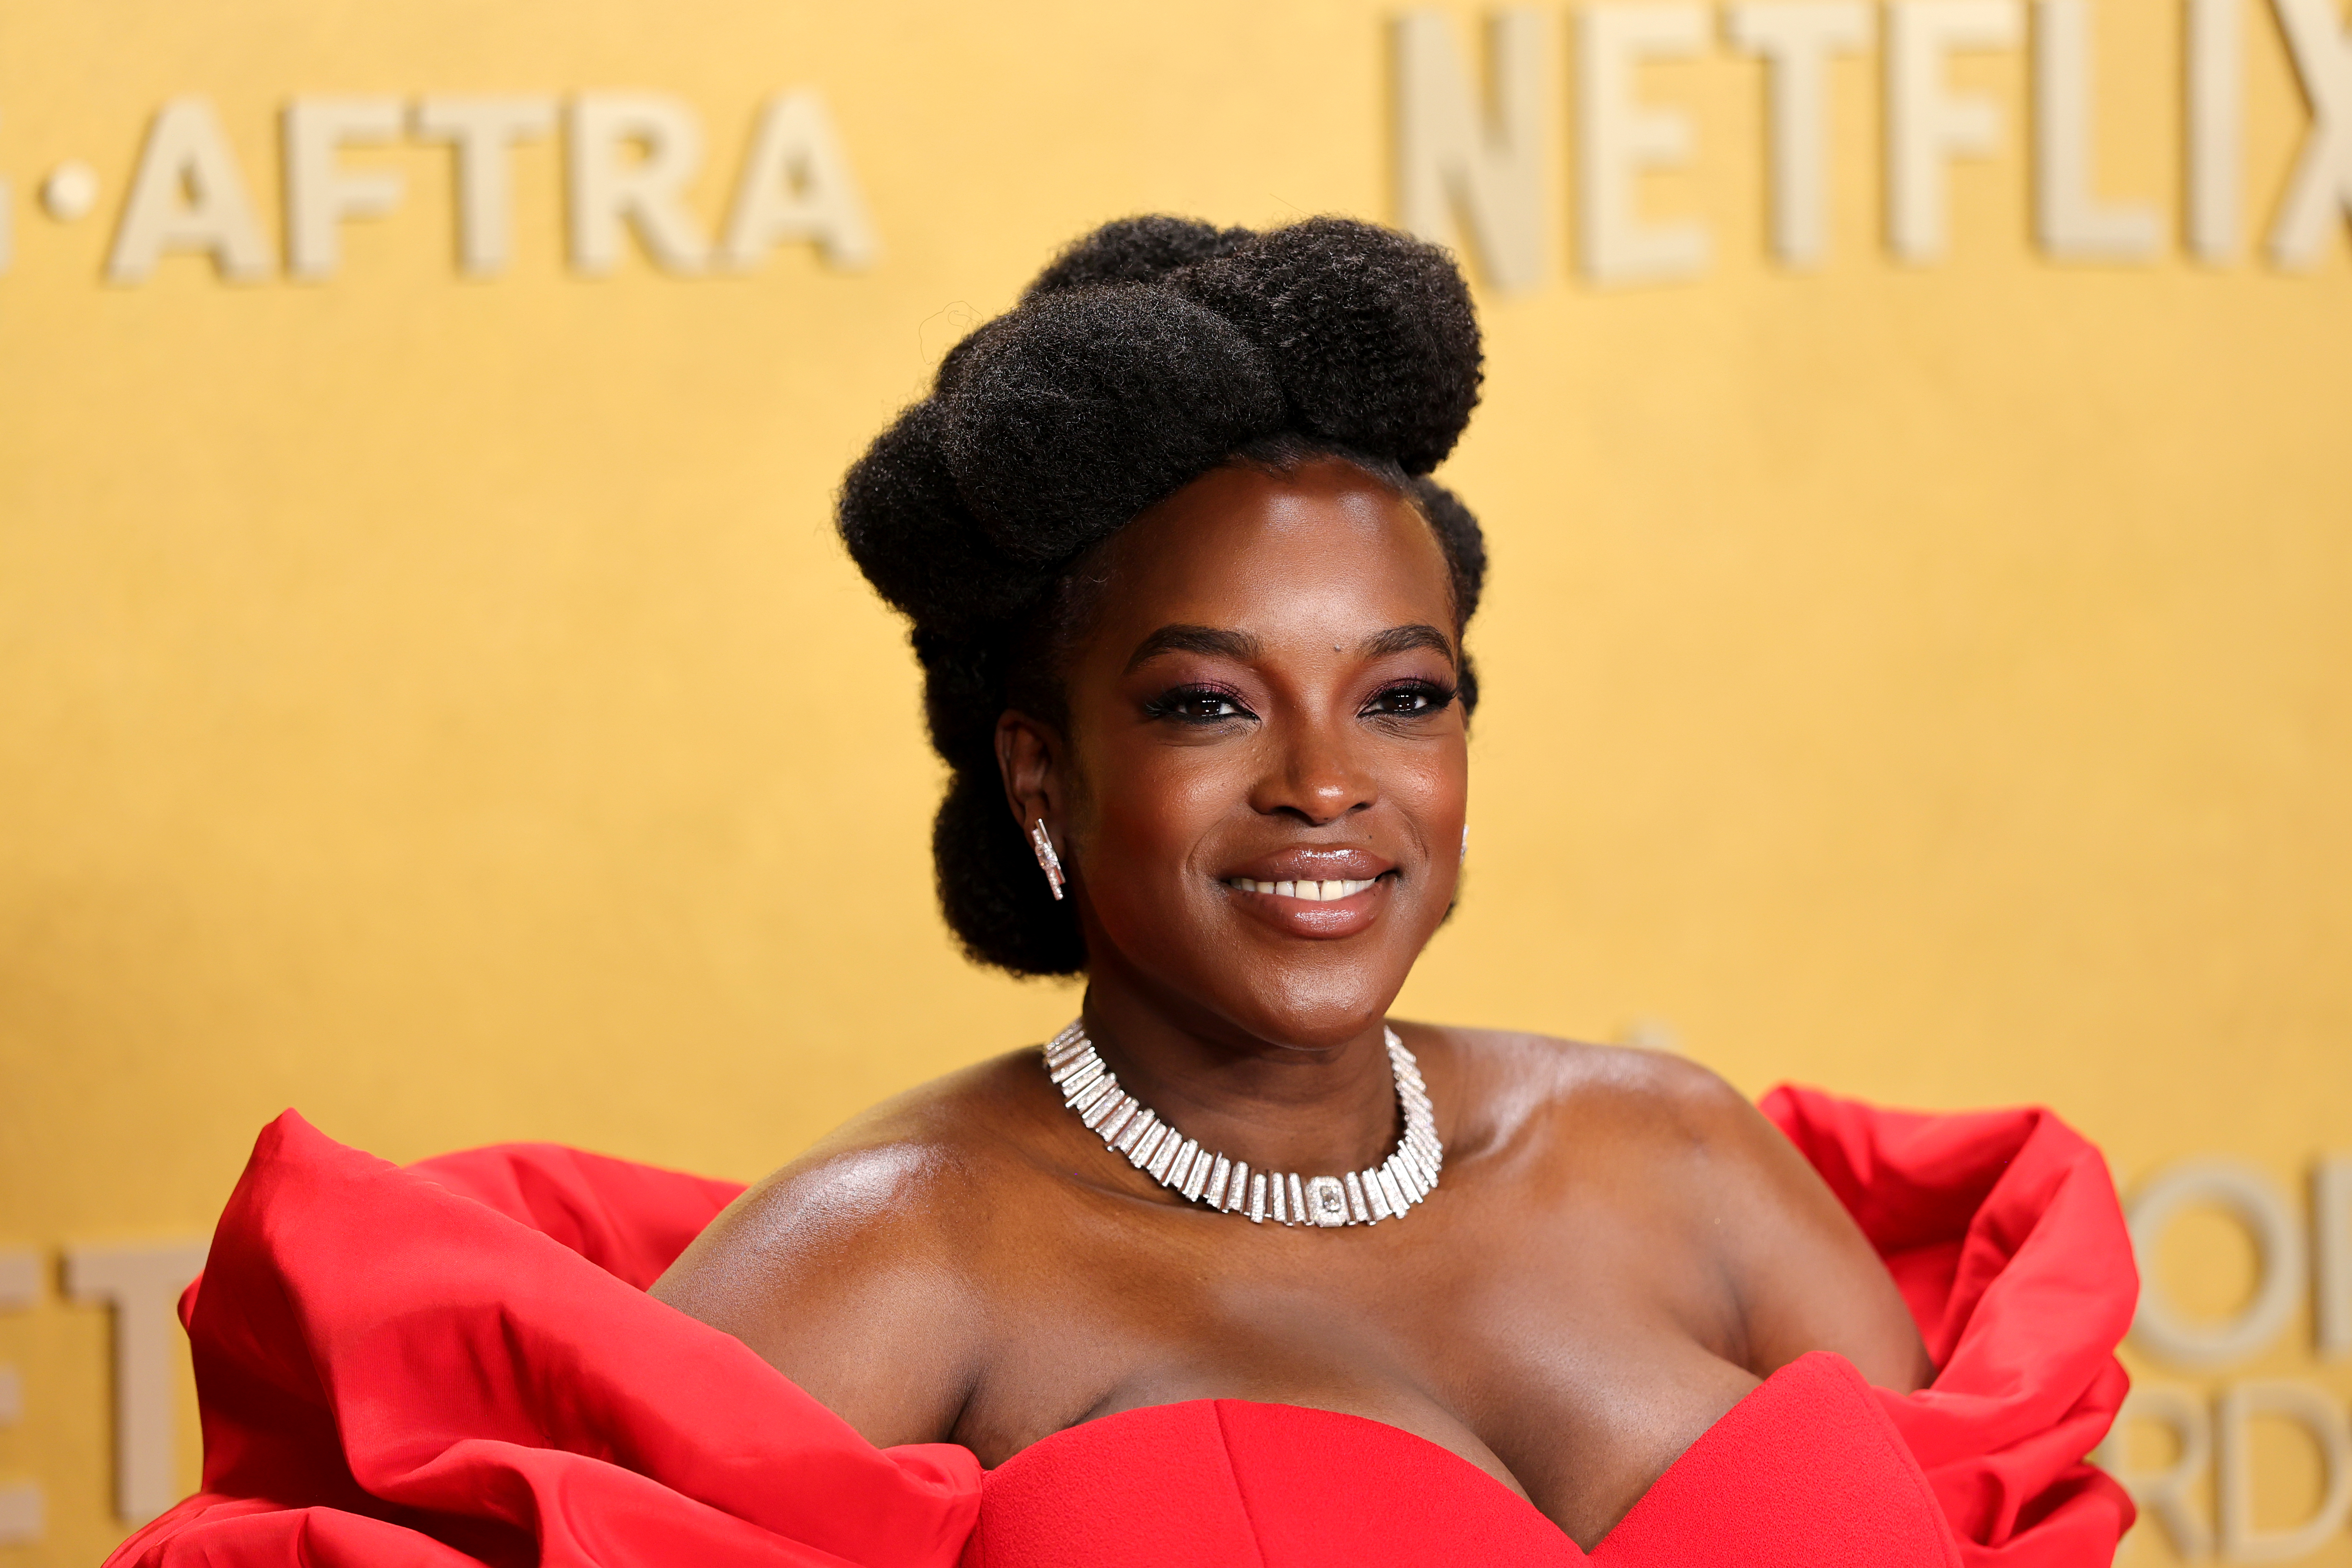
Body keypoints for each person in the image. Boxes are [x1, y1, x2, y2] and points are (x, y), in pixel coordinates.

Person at [109, 217, 2137, 1568]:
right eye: (1204, 701)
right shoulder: (902, 1254)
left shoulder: (1677, 1156)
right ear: (1042, 770)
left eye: (1402, 694)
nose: (1328, 781)